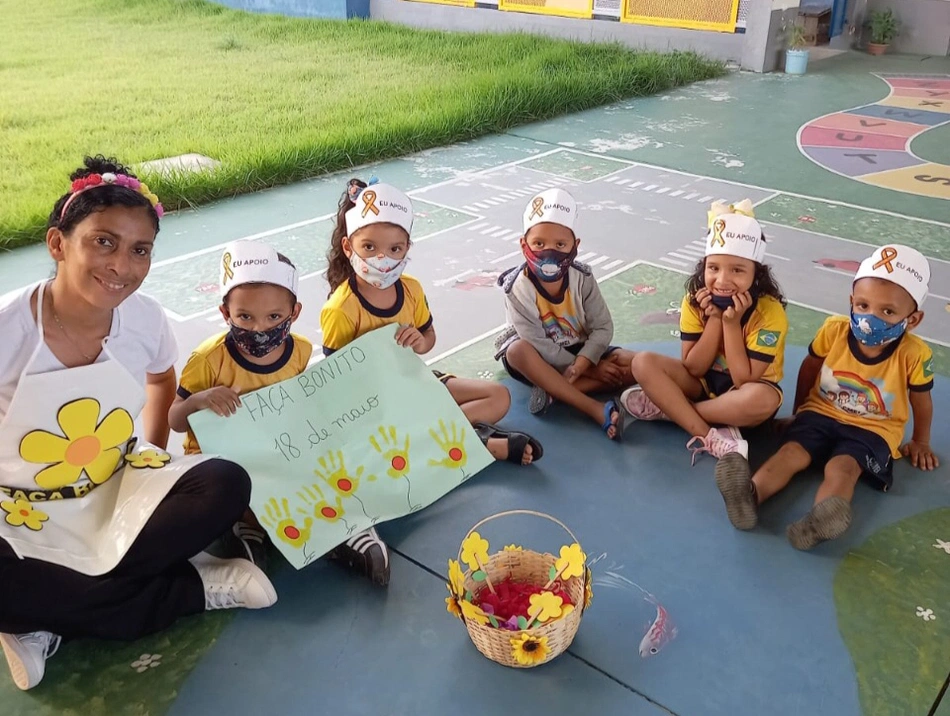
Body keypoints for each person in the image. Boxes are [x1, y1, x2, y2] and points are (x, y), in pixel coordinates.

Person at [0, 156, 276, 691]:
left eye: (139, 249)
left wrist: (154, 466)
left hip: (112, 485)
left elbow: (160, 382)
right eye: (103, 241)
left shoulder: (145, 317)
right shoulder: (8, 331)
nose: (121, 265)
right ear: (58, 243)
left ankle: (46, 615)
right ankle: (187, 590)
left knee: (225, 482)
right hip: (22, 509)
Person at [168, 240, 391, 585]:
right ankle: (247, 526)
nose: (259, 328)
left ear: (294, 313)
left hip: (280, 446)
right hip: (222, 458)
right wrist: (200, 400)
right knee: (233, 488)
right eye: (245, 316)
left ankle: (348, 529)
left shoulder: (300, 351)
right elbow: (175, 419)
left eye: (273, 317)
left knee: (334, 462)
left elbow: (300, 406)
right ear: (226, 313)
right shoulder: (207, 359)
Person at [715, 244, 939, 550]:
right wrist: (797, 412)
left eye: (887, 311)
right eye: (862, 305)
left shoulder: (914, 354)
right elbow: (810, 368)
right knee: (789, 453)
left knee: (843, 469)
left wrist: (921, 441)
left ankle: (819, 522)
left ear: (912, 319)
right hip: (820, 413)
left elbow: (921, 400)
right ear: (851, 301)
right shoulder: (834, 330)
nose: (870, 317)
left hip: (875, 428)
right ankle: (749, 496)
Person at [322, 179, 543, 467]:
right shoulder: (341, 308)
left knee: (499, 397)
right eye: (369, 247)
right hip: (374, 406)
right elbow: (334, 381)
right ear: (348, 246)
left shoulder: (411, 289)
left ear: (407, 248)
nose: (382, 258)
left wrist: (421, 341)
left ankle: (451, 438)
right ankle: (482, 443)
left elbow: (428, 336)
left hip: (416, 384)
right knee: (376, 447)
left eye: (395, 249)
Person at [624, 201, 788, 463]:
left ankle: (672, 411)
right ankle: (709, 436)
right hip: (701, 384)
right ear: (704, 267)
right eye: (714, 268)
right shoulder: (694, 301)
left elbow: (744, 379)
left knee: (762, 399)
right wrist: (713, 319)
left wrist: (731, 325)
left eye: (737, 270)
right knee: (643, 362)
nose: (722, 280)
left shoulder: (770, 312)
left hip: (744, 395)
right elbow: (694, 368)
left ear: (756, 274)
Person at [494, 188, 635, 440]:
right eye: (539, 243)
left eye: (560, 244)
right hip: (537, 357)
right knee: (517, 351)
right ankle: (591, 407)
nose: (549, 252)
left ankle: (553, 391)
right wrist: (592, 370)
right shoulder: (516, 287)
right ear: (524, 244)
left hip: (579, 350)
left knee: (634, 363)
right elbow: (537, 342)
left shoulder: (583, 277)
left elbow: (603, 327)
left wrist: (585, 361)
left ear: (575, 246)